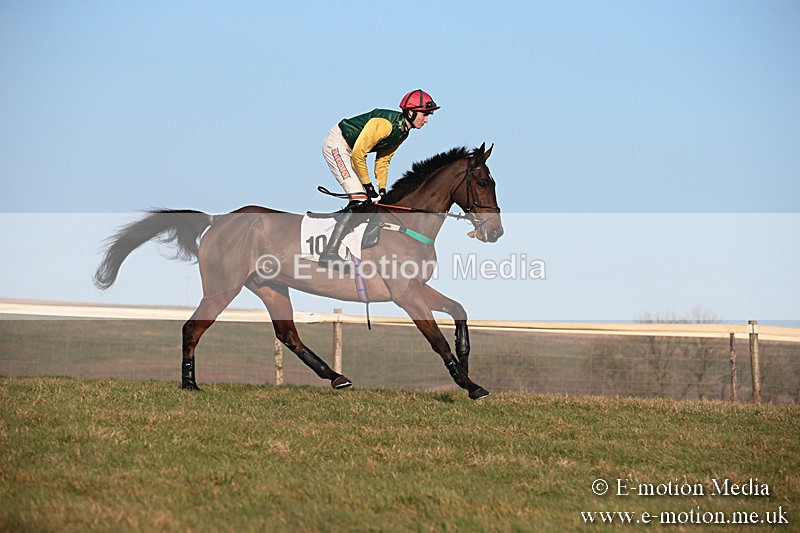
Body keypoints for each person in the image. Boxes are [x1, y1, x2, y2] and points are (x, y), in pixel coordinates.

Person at [318, 89, 440, 268]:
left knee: (371, 201)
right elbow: (359, 154)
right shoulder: (385, 125)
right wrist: (368, 186)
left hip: (352, 150)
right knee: (360, 197)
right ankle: (329, 252)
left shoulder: (403, 131)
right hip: (338, 145)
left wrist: (382, 189)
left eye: (428, 115)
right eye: (424, 114)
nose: (427, 119)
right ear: (411, 111)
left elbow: (383, 160)